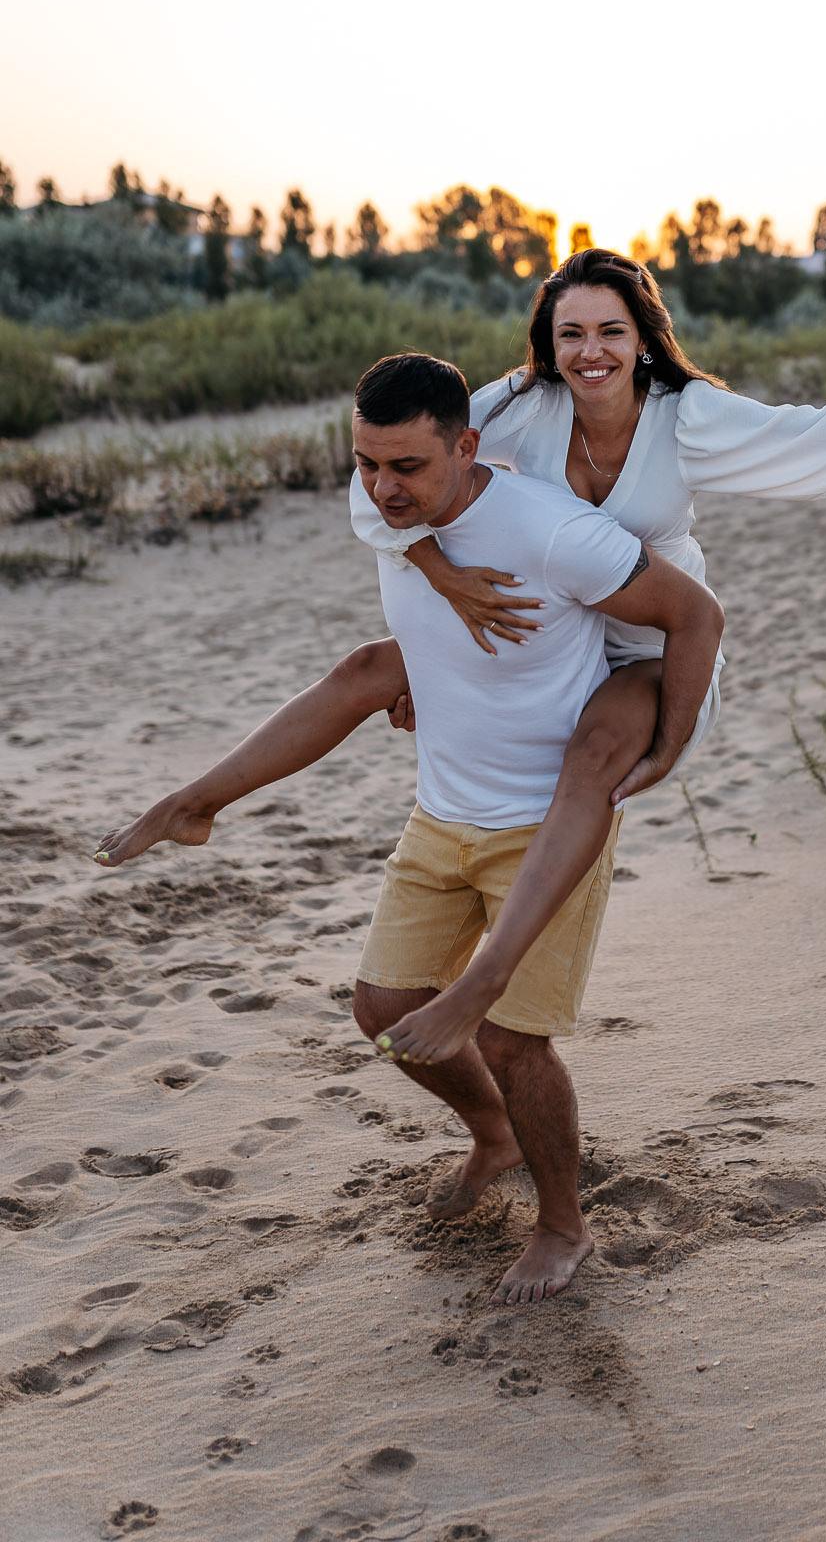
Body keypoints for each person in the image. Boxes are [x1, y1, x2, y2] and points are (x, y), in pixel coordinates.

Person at [96, 248, 826, 1074]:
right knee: (368, 669)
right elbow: (391, 479)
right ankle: (196, 802)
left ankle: (489, 976)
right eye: (570, 334)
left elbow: (821, 430)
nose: (589, 351)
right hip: (554, 617)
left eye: (609, 331)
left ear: (641, 338)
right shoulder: (519, 406)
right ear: (547, 342)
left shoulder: (688, 414)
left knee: (595, 747)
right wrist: (439, 573)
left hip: (652, 636)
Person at [104, 352, 724, 1307]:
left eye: (406, 467)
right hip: (442, 814)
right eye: (365, 464)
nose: (382, 488)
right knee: (383, 1007)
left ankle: (564, 1224)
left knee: (515, 1043)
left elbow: (694, 614)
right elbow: (369, 671)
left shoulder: (557, 534)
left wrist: (670, 740)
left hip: (546, 824)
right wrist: (201, 796)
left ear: (466, 447)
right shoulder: (397, 520)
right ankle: (494, 1133)